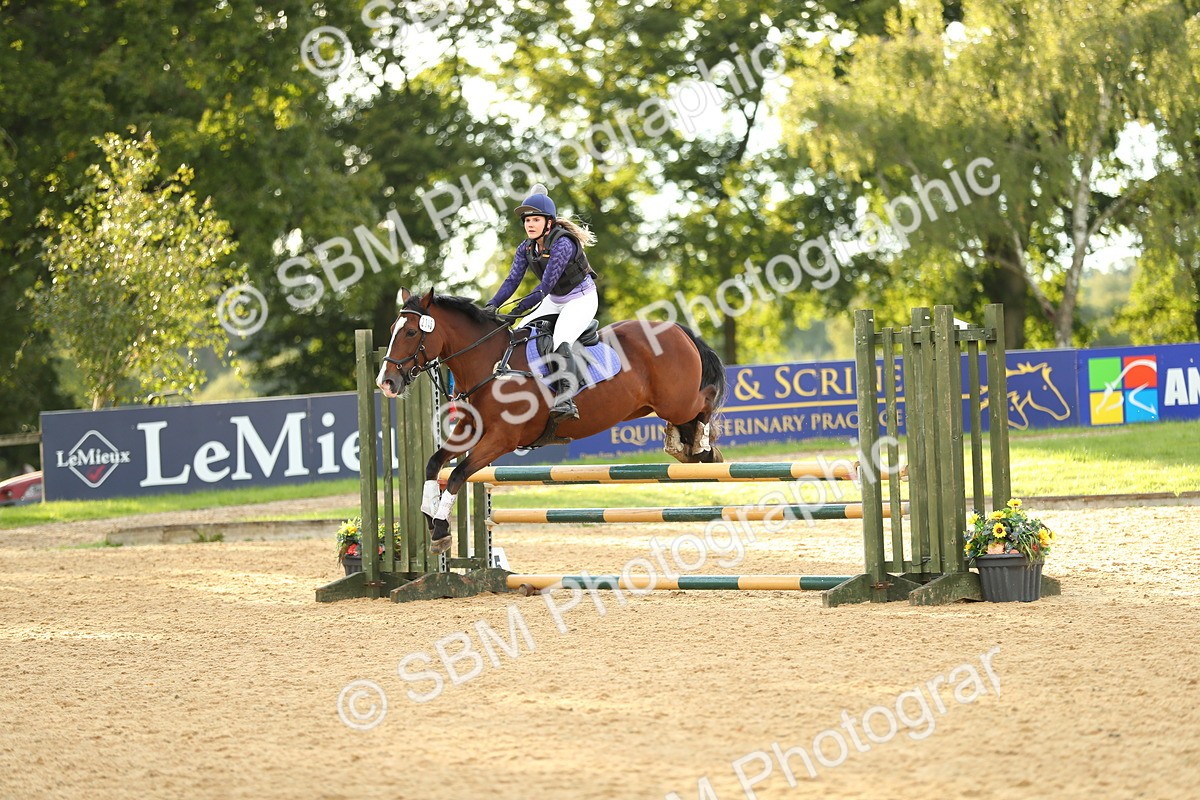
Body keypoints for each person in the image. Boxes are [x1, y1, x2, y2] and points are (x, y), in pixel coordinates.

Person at [485, 184, 598, 421]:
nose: (530, 224)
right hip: (555, 300)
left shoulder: (563, 244)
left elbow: (544, 286)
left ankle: (566, 399)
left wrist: (516, 310)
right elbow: (512, 280)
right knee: (516, 335)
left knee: (560, 339)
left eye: (535, 219)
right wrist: (492, 305)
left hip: (581, 299)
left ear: (549, 222)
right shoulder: (526, 248)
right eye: (527, 220)